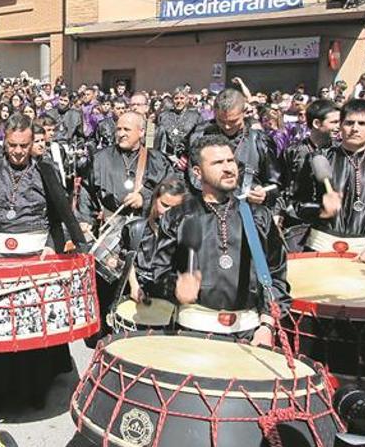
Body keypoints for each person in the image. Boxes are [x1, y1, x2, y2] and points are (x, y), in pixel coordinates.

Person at [0, 115, 85, 418]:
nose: (18, 151)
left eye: (24, 145)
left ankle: (35, 389)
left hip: (35, 255)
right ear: (4, 141)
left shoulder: (45, 169)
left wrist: (53, 246)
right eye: (13, 145)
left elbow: (59, 212)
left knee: (32, 326)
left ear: (33, 143)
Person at [152, 134, 290, 346]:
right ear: (197, 172)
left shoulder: (258, 215)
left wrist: (267, 325)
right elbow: (159, 272)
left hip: (250, 333)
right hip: (192, 332)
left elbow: (276, 274)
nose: (228, 168)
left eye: (230, 160)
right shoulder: (178, 216)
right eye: (217, 163)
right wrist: (175, 288)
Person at [292, 99, 365, 262]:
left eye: (362, 123)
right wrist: (320, 209)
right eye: (349, 122)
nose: (355, 128)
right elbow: (295, 203)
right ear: (341, 125)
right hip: (320, 246)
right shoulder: (318, 158)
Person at [184, 88, 282, 208]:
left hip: (248, 212)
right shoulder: (199, 135)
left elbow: (275, 183)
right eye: (221, 120)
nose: (227, 126)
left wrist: (265, 193)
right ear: (214, 112)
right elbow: (188, 176)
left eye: (233, 121)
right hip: (206, 211)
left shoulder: (260, 141)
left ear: (244, 112)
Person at [120, 178, 187, 303]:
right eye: (165, 205)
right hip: (138, 295)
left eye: (175, 208)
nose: (168, 212)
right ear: (155, 199)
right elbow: (127, 259)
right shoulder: (135, 229)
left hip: (169, 300)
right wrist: (134, 285)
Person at [154, 88, 201, 174]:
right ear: (172, 100)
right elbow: (156, 139)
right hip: (166, 161)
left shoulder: (195, 117)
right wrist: (170, 156)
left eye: (182, 98)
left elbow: (199, 139)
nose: (179, 101)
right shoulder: (163, 116)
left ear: (187, 100)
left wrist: (187, 157)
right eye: (176, 98)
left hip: (188, 162)